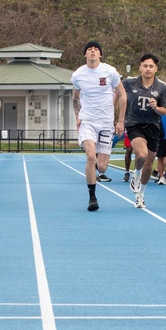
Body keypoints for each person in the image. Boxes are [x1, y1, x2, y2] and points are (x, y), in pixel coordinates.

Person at [71, 41, 126, 212]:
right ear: (85, 55)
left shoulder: (110, 71)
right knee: (90, 156)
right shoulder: (78, 74)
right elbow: (75, 98)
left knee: (102, 167)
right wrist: (77, 116)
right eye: (89, 49)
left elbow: (123, 95)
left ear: (100, 54)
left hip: (106, 122)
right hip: (87, 121)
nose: (93, 51)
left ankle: (96, 168)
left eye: (96, 49)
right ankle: (92, 197)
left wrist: (121, 120)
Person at [125, 53, 166, 208]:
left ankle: (141, 195)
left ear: (156, 69)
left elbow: (165, 111)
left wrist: (155, 107)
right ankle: (135, 174)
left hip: (153, 126)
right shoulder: (129, 83)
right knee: (141, 154)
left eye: (151, 66)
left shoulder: (162, 87)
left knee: (149, 163)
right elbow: (116, 93)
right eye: (145, 66)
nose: (148, 69)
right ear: (140, 67)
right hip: (134, 124)